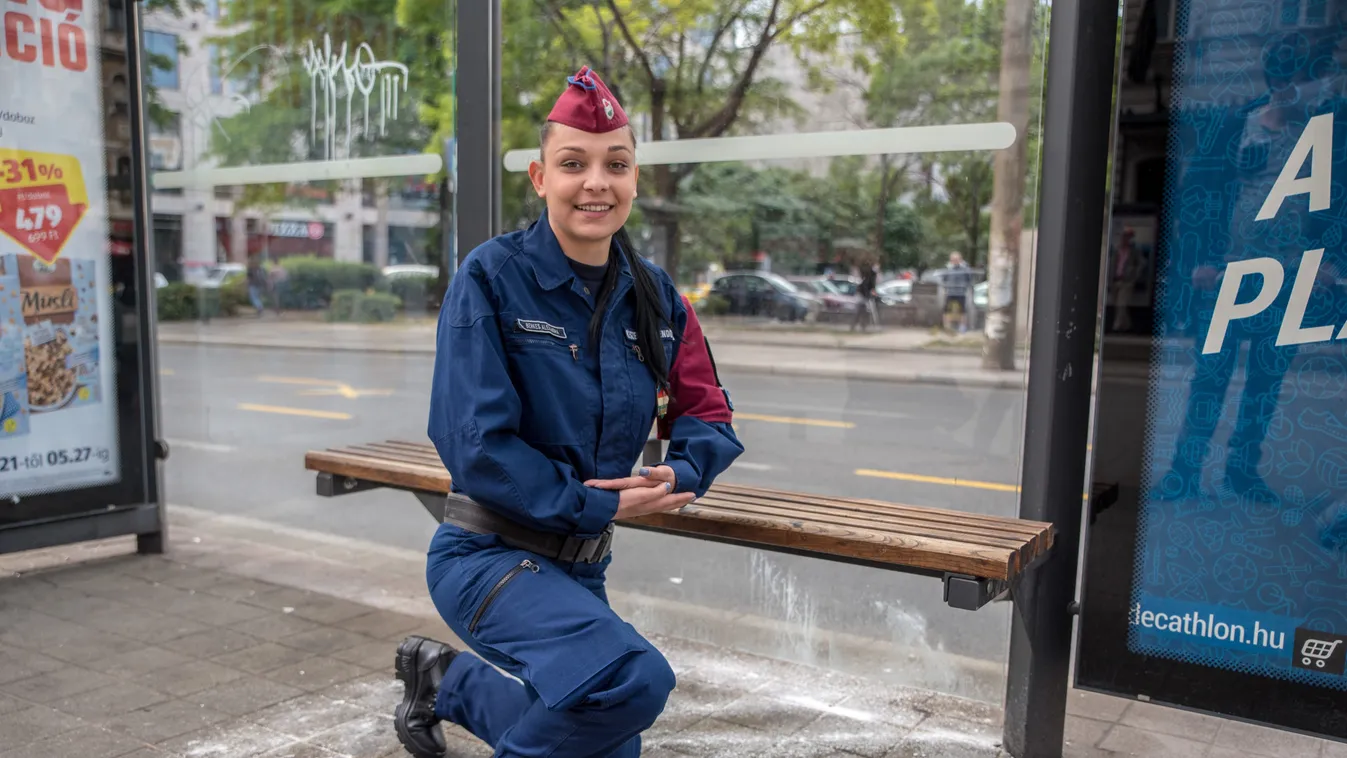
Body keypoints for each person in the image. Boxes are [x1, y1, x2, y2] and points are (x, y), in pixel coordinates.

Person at [394, 66, 744, 758]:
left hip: (580, 569)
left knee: (606, 740)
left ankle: (445, 682)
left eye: (616, 164)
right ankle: (452, 683)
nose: (596, 183)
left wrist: (682, 472)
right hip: (485, 554)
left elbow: (708, 410)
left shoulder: (655, 296)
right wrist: (599, 506)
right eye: (573, 164)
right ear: (538, 177)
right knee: (631, 682)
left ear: (634, 178)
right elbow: (474, 442)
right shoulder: (491, 277)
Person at [941, 251, 973, 333]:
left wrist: (965, 287)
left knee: (962, 310)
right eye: (953, 259)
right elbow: (944, 279)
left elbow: (969, 279)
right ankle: (947, 326)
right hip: (950, 292)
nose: (955, 261)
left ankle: (962, 327)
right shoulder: (948, 268)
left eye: (956, 259)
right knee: (946, 310)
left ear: (960, 259)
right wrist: (946, 288)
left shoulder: (965, 269)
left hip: (961, 292)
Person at [850, 260, 878, 332]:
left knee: (863, 312)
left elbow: (871, 287)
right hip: (862, 296)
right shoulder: (868, 279)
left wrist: (872, 293)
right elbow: (866, 288)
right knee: (861, 311)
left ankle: (862, 326)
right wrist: (868, 295)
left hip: (864, 296)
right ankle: (859, 326)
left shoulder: (869, 279)